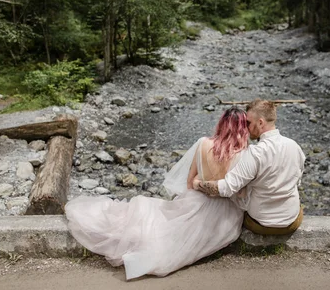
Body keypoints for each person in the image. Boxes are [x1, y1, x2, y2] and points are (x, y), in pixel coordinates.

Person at [65, 107, 249, 280]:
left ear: (222, 124)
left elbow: (189, 183)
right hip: (225, 213)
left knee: (159, 220)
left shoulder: (203, 143)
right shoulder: (244, 153)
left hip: (197, 201)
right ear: (242, 128)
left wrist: (199, 185)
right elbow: (240, 193)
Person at [193, 99, 306, 235]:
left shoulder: (255, 152)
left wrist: (198, 184)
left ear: (260, 123)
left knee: (236, 208)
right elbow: (297, 181)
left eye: (248, 123)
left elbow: (227, 188)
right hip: (292, 220)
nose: (245, 127)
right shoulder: (294, 146)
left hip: (262, 223)